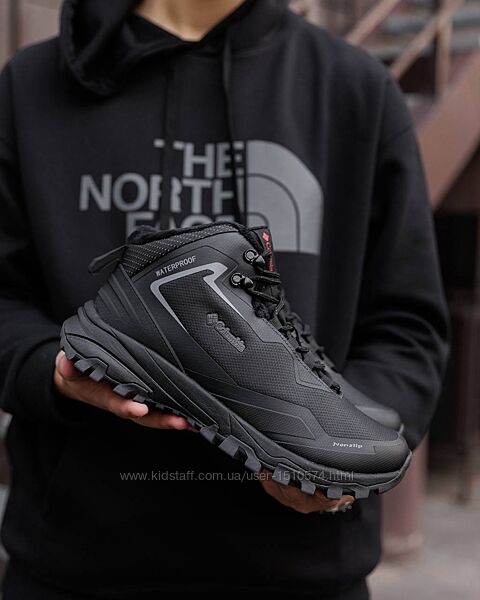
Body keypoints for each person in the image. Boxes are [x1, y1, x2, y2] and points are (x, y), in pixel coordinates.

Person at [0, 0, 449, 598]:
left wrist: (339, 466)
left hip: (302, 573)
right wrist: (52, 372)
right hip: (74, 568)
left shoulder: (355, 87)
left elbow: (407, 326)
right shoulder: (30, 85)